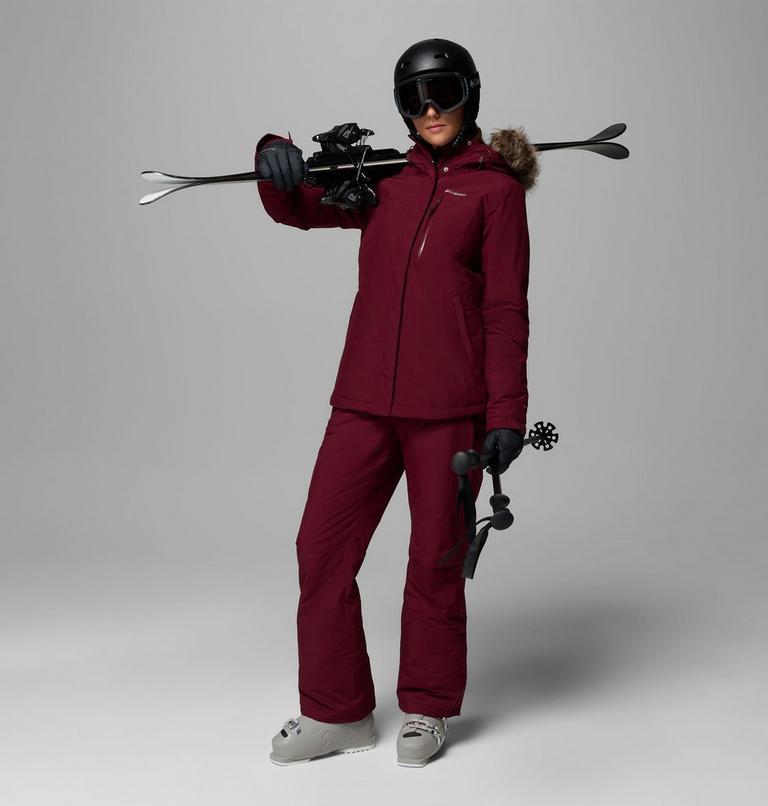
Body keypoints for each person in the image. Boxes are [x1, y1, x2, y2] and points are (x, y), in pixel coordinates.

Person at [257, 38, 539, 767]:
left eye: (444, 92)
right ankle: (337, 711)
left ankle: (427, 706)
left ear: (471, 93)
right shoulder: (381, 180)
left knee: (436, 558)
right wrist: (274, 157)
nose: (431, 109)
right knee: (320, 549)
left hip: (448, 407)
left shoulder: (496, 193)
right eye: (414, 98)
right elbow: (298, 208)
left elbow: (505, 310)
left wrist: (506, 414)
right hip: (363, 400)